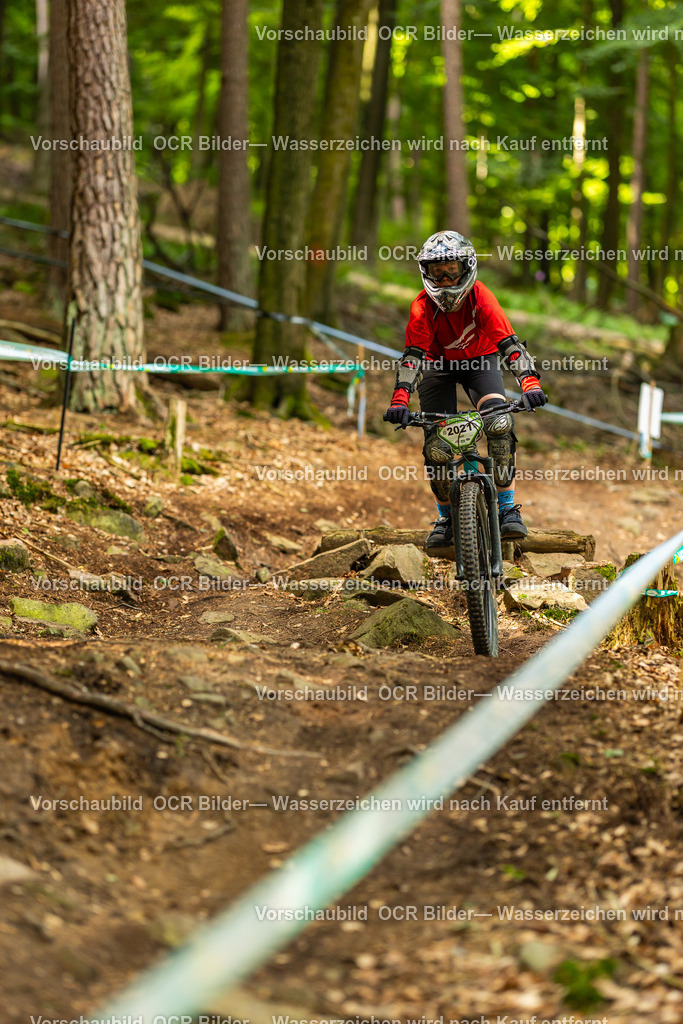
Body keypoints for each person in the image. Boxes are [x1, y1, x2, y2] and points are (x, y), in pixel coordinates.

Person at [385, 229, 547, 551]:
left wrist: (529, 383)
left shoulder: (481, 298)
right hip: (437, 368)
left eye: (452, 270)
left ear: (467, 267)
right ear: (426, 273)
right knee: (437, 446)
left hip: (480, 362)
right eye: (437, 272)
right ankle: (446, 518)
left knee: (499, 423)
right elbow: (413, 357)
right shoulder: (422, 307)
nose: (445, 280)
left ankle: (506, 508)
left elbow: (509, 345)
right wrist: (400, 398)